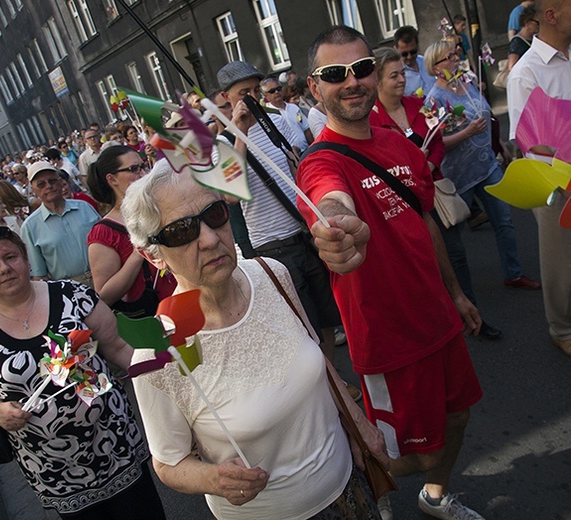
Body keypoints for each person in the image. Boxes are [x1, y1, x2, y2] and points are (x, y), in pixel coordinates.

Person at [122, 168, 386, 520]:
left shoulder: (270, 273)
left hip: (347, 486)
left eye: (214, 215)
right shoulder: (159, 354)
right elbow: (169, 463)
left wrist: (358, 423)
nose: (211, 239)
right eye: (181, 231)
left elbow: (316, 357)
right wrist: (214, 478)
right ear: (153, 256)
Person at [300, 25, 486, 520]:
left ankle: (434, 496)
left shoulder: (398, 144)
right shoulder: (319, 163)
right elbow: (329, 199)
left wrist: (456, 293)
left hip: (439, 318)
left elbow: (423, 219)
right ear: (315, 88)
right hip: (388, 339)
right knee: (416, 451)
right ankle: (350, 471)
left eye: (361, 69)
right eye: (335, 75)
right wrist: (339, 225)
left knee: (459, 416)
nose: (353, 81)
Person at [0, 227, 166, 519]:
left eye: (11, 257)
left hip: (116, 445)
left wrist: (164, 375)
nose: (4, 268)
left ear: (27, 260)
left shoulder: (73, 296)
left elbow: (118, 347)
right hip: (54, 469)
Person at [370, 47, 502, 340]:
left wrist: (426, 165)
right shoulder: (371, 122)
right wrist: (412, 171)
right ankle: (436, 323)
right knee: (418, 265)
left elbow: (439, 141)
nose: (402, 79)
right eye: (394, 76)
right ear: (377, 81)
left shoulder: (417, 105)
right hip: (401, 203)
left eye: (403, 73)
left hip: (433, 193)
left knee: (455, 255)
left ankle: (471, 314)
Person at [216, 60, 342, 363]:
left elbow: (298, 168)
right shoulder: (222, 143)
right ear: (227, 97)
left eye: (255, 90)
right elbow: (230, 195)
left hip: (302, 233)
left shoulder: (277, 123)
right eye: (243, 92)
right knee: (303, 323)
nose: (252, 97)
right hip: (271, 245)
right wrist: (241, 133)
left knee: (327, 318)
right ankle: (328, 384)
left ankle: (333, 377)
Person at [425, 40, 541, 291]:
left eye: (455, 55)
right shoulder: (433, 100)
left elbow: (485, 116)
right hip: (459, 176)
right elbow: (435, 142)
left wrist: (497, 143)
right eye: (448, 57)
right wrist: (467, 133)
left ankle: (514, 273)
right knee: (454, 235)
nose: (455, 59)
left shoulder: (467, 84)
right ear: (435, 67)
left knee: (505, 221)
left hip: (487, 165)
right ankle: (454, 286)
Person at [507, 0, 571, 356]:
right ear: (552, 16)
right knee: (560, 260)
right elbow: (530, 141)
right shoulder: (527, 72)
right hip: (555, 183)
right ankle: (561, 328)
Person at [86, 146, 176, 316]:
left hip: (184, 301)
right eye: (134, 169)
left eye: (143, 166)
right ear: (112, 179)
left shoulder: (160, 208)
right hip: (153, 317)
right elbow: (104, 296)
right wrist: (139, 251)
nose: (143, 174)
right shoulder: (104, 232)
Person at [20, 161, 99, 284]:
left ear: (60, 182)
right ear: (33, 190)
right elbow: (39, 276)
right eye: (41, 184)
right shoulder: (30, 227)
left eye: (52, 181)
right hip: (70, 291)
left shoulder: (84, 207)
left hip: (106, 276)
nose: (48, 186)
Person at [261, 77, 314, 150]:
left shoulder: (294, 108)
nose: (277, 92)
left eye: (279, 89)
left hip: (306, 150)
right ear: (266, 96)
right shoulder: (268, 115)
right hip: (291, 156)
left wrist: (314, 148)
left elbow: (306, 129)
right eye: (272, 91)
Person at [393, 26, 436, 97]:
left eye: (413, 52)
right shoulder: (397, 75)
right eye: (404, 54)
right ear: (395, 49)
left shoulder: (426, 62)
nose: (409, 57)